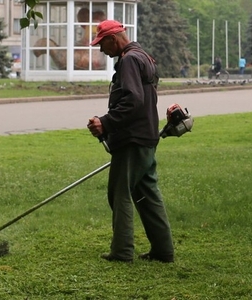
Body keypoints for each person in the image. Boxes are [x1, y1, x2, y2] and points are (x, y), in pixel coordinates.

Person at [87, 20, 174, 263]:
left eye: (102, 44)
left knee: (120, 193)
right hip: (147, 136)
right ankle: (163, 251)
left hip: (133, 139)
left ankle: (122, 251)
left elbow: (133, 100)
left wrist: (105, 121)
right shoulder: (144, 56)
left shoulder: (128, 60)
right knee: (147, 193)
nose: (101, 50)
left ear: (113, 38)